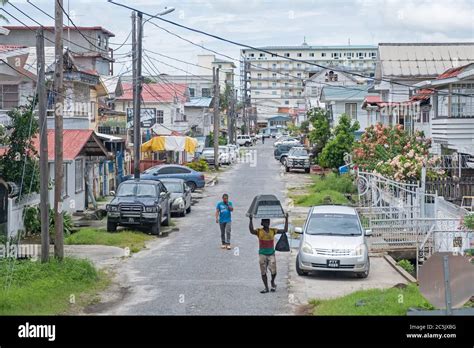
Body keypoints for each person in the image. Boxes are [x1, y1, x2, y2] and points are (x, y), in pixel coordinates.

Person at [249, 213, 288, 293]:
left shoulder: (273, 231)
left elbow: (285, 230)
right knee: (263, 271)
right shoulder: (259, 231)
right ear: (262, 223)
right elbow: (251, 231)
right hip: (262, 254)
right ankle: (266, 287)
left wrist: (286, 219)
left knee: (274, 271)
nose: (267, 223)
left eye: (268, 221)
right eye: (266, 222)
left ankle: (272, 282)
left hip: (271, 253)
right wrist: (250, 220)